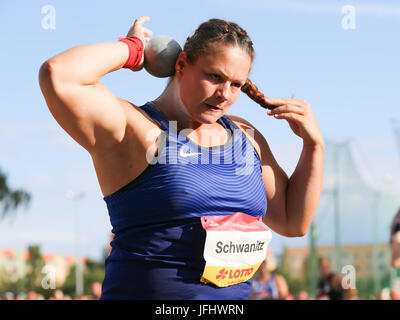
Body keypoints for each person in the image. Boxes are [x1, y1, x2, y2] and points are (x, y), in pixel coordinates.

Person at [38, 16, 324, 300]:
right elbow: (59, 74)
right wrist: (133, 49)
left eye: (236, 84)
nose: (224, 95)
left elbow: (292, 221)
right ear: (181, 64)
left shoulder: (246, 136)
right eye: (214, 77)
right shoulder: (136, 130)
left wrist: (314, 146)